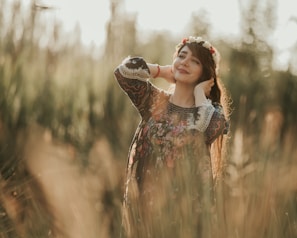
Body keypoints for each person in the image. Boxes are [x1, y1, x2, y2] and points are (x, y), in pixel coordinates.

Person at [114, 36, 230, 238]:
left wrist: (200, 95)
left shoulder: (211, 112)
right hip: (143, 208)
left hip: (184, 214)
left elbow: (210, 128)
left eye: (195, 61)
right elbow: (124, 72)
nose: (185, 62)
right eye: (182, 56)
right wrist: (161, 70)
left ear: (206, 73)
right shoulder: (154, 102)